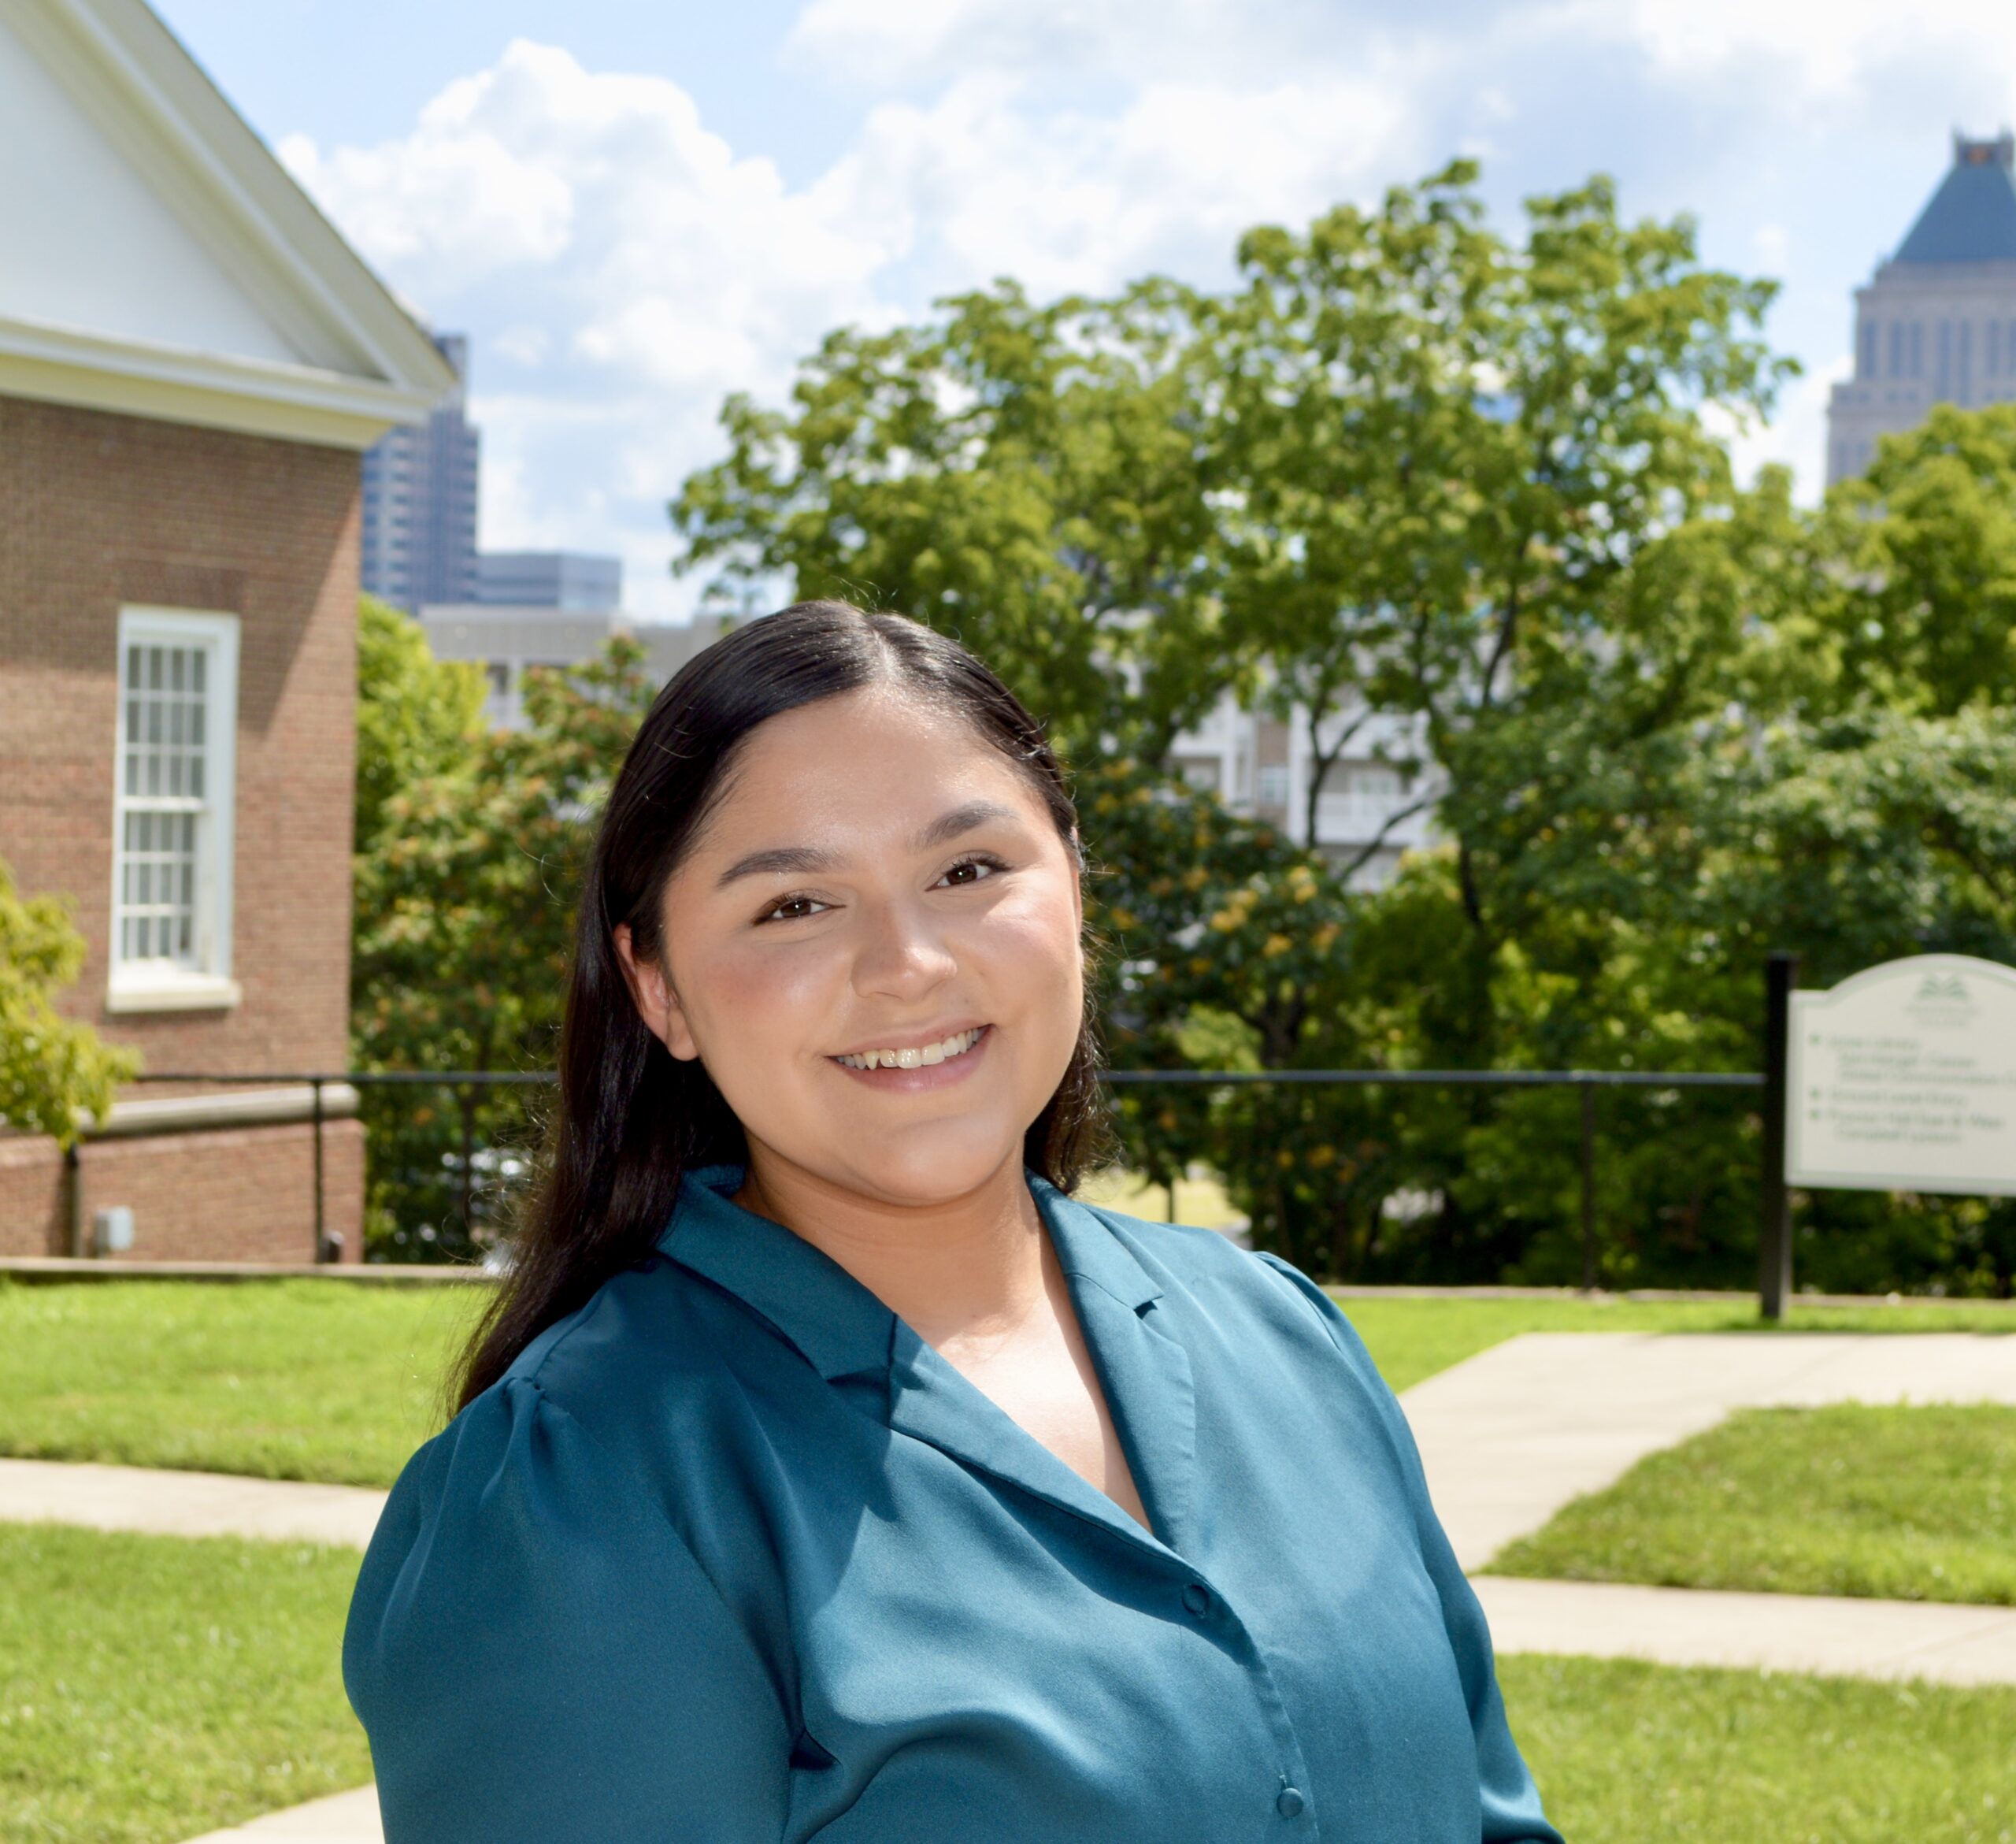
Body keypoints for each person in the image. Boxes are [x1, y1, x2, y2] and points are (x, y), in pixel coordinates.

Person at [344, 600, 1562, 1844]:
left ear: (1076, 889)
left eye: (968, 870)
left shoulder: (1284, 1337)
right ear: (660, 988)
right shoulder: (584, 1488)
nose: (907, 960)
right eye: (794, 906)